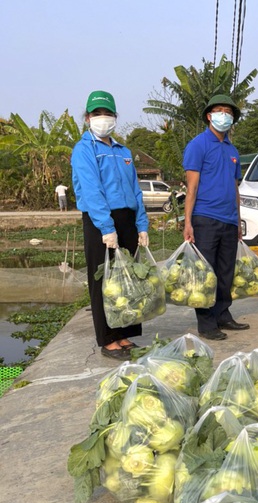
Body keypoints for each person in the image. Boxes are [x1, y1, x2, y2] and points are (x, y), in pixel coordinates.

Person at [71, 90, 149, 360]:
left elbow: (135, 189)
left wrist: (142, 224)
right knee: (104, 280)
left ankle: (124, 334)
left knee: (128, 280)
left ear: (115, 117)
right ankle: (107, 339)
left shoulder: (123, 151)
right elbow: (92, 191)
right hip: (100, 220)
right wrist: (106, 228)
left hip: (127, 219)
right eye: (96, 114)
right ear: (87, 118)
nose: (102, 118)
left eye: (107, 113)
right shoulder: (84, 149)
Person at [183, 94, 250, 341]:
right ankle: (206, 322)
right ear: (209, 116)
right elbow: (191, 187)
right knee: (205, 272)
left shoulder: (232, 149)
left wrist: (238, 220)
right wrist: (188, 222)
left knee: (225, 271)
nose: (225, 114)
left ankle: (223, 314)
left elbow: (235, 188)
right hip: (205, 218)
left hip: (229, 219)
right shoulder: (198, 145)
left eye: (228, 112)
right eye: (219, 110)